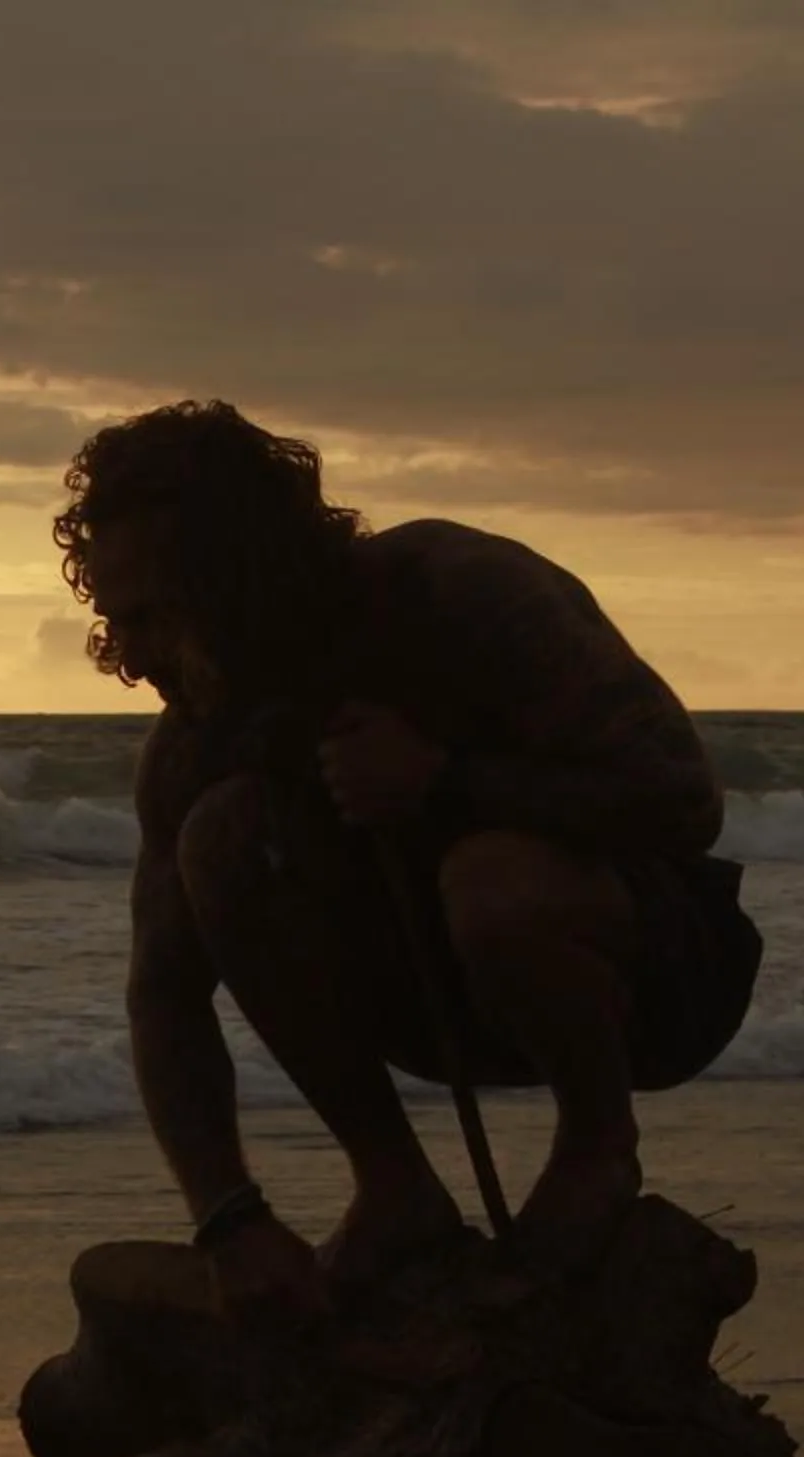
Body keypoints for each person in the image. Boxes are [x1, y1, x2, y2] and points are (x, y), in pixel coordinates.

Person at [57, 401, 762, 1332]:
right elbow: (164, 993)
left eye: (152, 617)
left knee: (493, 881)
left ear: (233, 575)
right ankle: (395, 1189)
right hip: (439, 1007)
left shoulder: (460, 591)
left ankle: (597, 1148)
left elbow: (683, 801)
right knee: (221, 838)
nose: (130, 658)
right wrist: (229, 1217)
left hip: (661, 979)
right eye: (115, 622)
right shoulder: (198, 740)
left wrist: (444, 783)